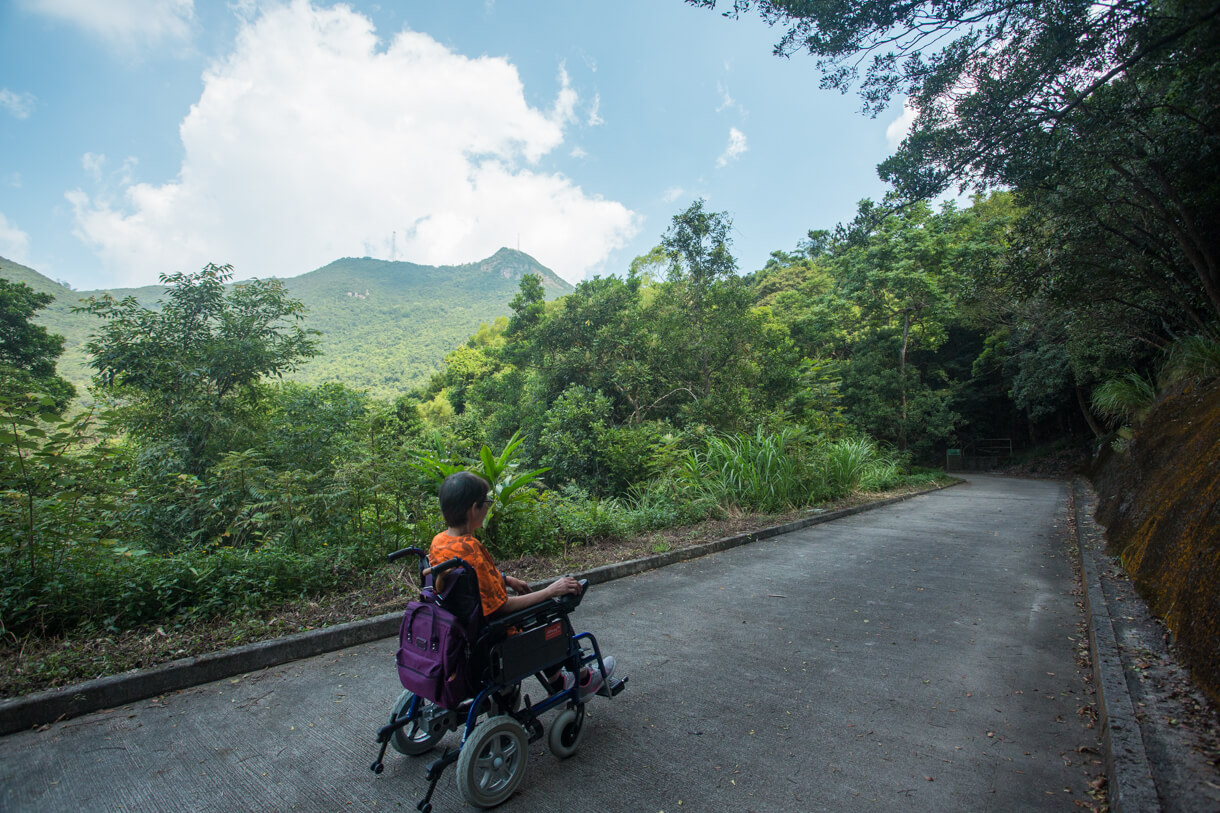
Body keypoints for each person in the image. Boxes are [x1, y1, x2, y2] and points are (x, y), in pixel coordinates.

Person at [429, 470, 615, 696]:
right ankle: (583, 679)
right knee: (551, 612)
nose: (488, 506)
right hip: (493, 631)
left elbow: (468, 580)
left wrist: (507, 579)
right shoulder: (472, 549)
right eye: (486, 501)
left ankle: (557, 678)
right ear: (472, 509)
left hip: (464, 628)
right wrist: (550, 590)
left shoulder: (440, 541)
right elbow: (502, 607)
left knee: (543, 610)